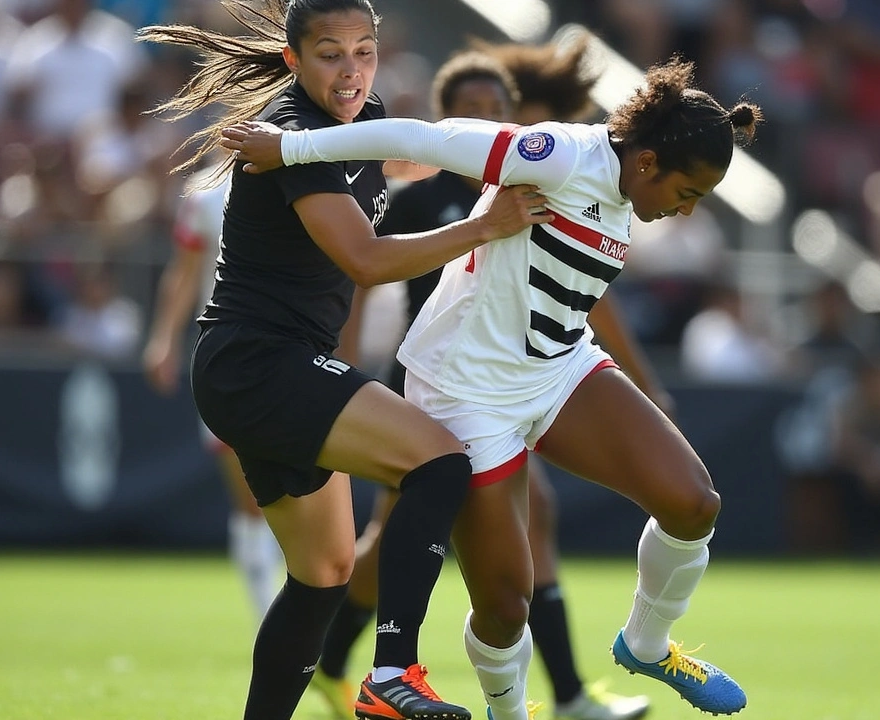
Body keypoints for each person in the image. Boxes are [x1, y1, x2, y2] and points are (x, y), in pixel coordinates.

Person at [222, 55, 758, 719]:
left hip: (559, 366)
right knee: (506, 608)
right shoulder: (560, 154)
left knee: (694, 503)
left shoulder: (629, 192)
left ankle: (645, 645)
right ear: (647, 162)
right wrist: (292, 147)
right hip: (466, 391)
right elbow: (422, 138)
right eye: (689, 192)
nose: (688, 210)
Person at [139, 2, 553, 719]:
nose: (352, 69)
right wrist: (484, 225)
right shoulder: (294, 133)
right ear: (296, 61)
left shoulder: (358, 122)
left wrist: (530, 153)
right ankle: (394, 670)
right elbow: (363, 260)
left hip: (258, 368)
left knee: (323, 575)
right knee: (439, 461)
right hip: (260, 361)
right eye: (331, 53)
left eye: (364, 50)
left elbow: (406, 157)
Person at [312, 44, 655, 720]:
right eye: (471, 113)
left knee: (528, 523)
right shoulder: (423, 198)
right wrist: (344, 355)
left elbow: (588, 291)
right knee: (400, 537)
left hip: (518, 382)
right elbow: (363, 269)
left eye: (496, 110)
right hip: (437, 383)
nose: (488, 121)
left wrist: (637, 376)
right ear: (451, 123)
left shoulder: (545, 184)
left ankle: (566, 693)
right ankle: (339, 660)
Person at [141, 160, 283, 622]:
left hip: (296, 354)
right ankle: (269, 617)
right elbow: (185, 271)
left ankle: (294, 614)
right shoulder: (205, 193)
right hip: (229, 361)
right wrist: (164, 338)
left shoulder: (314, 172)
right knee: (252, 497)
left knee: (298, 490)